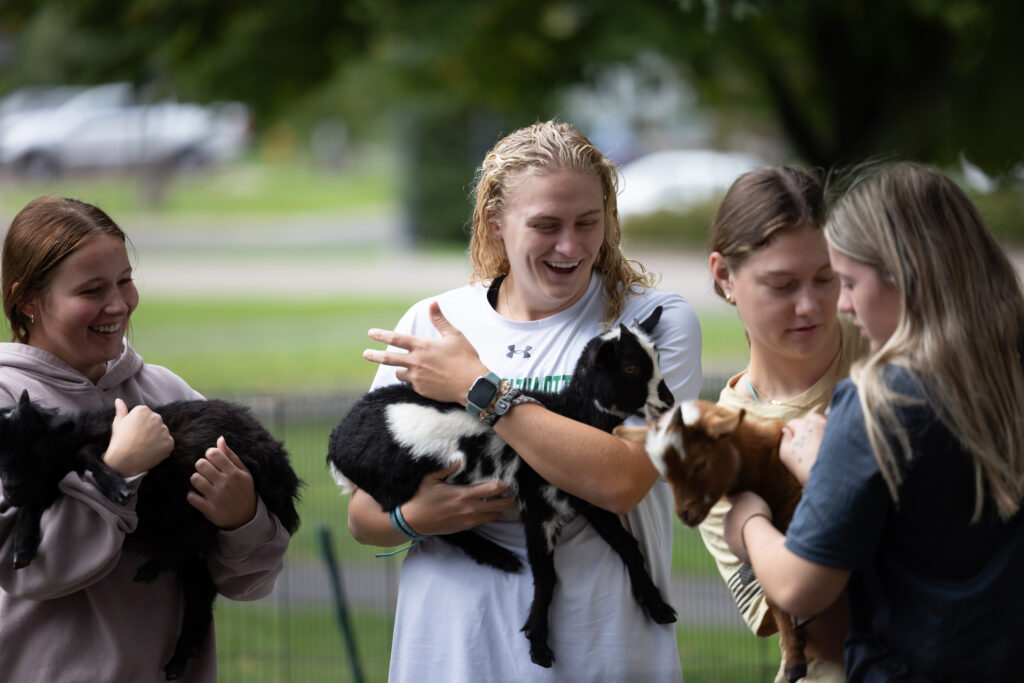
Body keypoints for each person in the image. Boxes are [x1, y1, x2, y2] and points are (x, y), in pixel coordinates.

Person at [346, 120, 702, 682]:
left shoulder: (648, 324)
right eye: (546, 225)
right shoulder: (434, 323)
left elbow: (622, 481)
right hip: (452, 654)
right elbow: (364, 516)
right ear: (495, 222)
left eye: (588, 222)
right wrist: (415, 518)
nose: (571, 246)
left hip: (602, 657)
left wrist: (480, 389)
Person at [723, 161, 1024, 681]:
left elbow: (798, 589)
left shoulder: (878, 401)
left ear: (905, 276)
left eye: (845, 281)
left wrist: (747, 521)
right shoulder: (1007, 369)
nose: (838, 303)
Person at [0, 196, 292, 683]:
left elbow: (251, 580)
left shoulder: (166, 393)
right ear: (28, 300)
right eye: (92, 290)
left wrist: (244, 519)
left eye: (125, 281)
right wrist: (116, 471)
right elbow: (27, 569)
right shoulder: (7, 408)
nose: (118, 304)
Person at [699, 166, 869, 682]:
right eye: (781, 284)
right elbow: (821, 635)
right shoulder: (720, 447)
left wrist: (756, 527)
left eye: (826, 278)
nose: (810, 305)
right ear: (724, 276)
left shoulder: (884, 340)